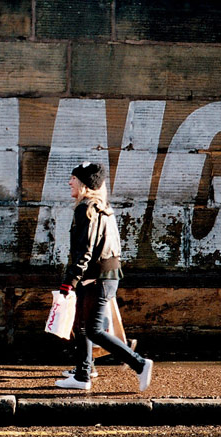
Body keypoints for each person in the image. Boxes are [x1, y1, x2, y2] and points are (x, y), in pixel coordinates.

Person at [54, 162, 154, 392]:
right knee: (81, 326)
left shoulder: (86, 209)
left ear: (85, 184)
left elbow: (84, 251)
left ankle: (139, 363)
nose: (70, 182)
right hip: (104, 276)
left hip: (96, 278)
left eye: (73, 179)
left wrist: (69, 281)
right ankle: (83, 373)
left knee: (93, 330)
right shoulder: (101, 207)